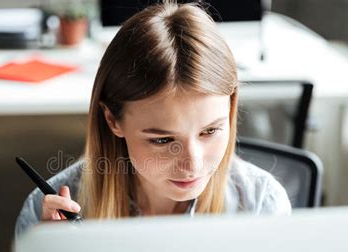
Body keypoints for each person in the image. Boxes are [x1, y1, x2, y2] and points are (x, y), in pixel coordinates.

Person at [16, 1, 290, 237]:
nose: (193, 164)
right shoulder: (48, 213)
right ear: (113, 120)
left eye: (210, 131)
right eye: (162, 139)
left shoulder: (262, 205)